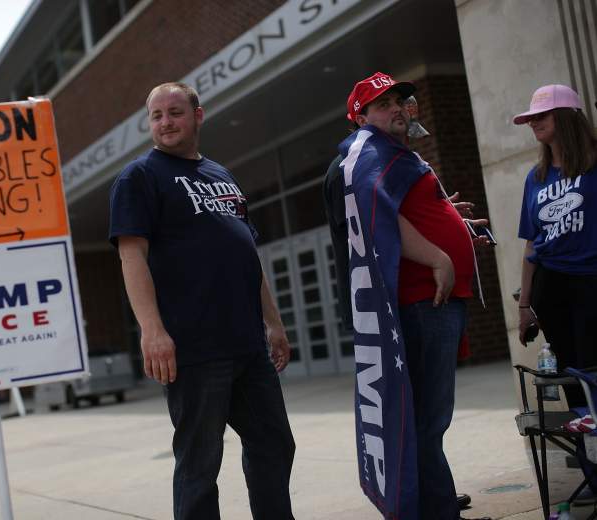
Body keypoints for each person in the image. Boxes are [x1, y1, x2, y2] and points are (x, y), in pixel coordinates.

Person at [108, 82, 296, 520]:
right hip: (193, 350)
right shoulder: (140, 178)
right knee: (199, 465)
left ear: (198, 114)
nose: (165, 122)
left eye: (175, 112)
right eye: (156, 116)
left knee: (274, 443)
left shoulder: (220, 175)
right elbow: (131, 255)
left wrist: (273, 322)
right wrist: (152, 331)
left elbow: (246, 253)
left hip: (247, 345)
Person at [325, 71, 490, 520]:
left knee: (430, 422)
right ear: (360, 117)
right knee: (427, 422)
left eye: (400, 99)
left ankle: (435, 504)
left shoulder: (392, 153)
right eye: (383, 103)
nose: (397, 108)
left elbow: (400, 210)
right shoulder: (366, 153)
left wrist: (452, 224)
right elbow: (374, 213)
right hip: (422, 301)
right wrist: (438, 255)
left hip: (434, 302)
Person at [515, 84, 597, 408]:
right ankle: (588, 449)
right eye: (530, 118)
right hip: (551, 284)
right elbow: (531, 244)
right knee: (569, 370)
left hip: (591, 278)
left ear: (565, 116)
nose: (534, 122)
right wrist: (524, 305)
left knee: (592, 363)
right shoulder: (536, 177)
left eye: (541, 115)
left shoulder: (593, 164)